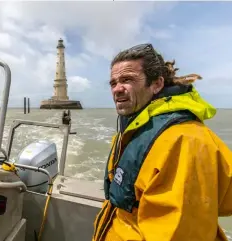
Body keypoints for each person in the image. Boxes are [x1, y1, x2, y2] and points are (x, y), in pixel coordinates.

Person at [92, 43, 232, 241]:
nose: (117, 89)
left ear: (157, 84)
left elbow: (177, 233)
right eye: (113, 83)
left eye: (127, 80)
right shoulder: (134, 129)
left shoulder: (184, 142)